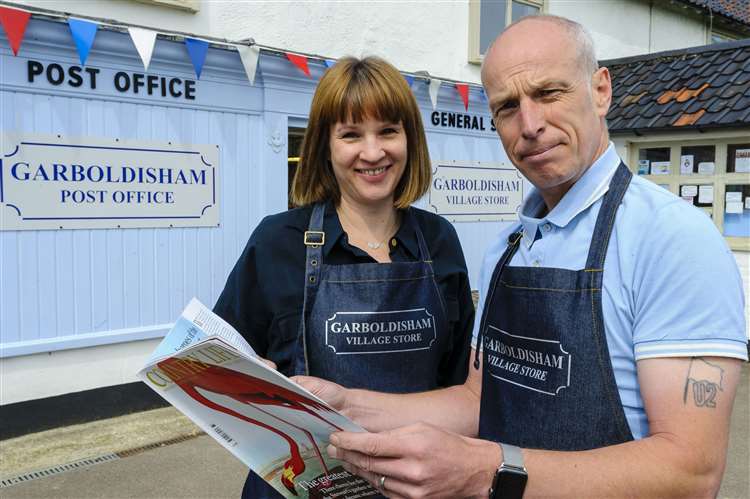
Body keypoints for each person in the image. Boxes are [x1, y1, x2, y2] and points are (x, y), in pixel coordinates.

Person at [296, 15, 748, 498]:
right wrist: (346, 403)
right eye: (508, 107)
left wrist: (484, 470)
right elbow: (477, 400)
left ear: (600, 90)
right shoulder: (507, 249)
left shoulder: (671, 239)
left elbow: (691, 472)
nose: (530, 125)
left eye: (549, 93)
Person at [213, 56, 475, 498]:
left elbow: (460, 388)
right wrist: (248, 377)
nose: (372, 152)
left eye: (388, 131)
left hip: (415, 485)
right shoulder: (279, 240)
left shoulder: (440, 241)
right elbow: (219, 361)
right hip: (300, 485)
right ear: (325, 146)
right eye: (351, 135)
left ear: (410, 138)